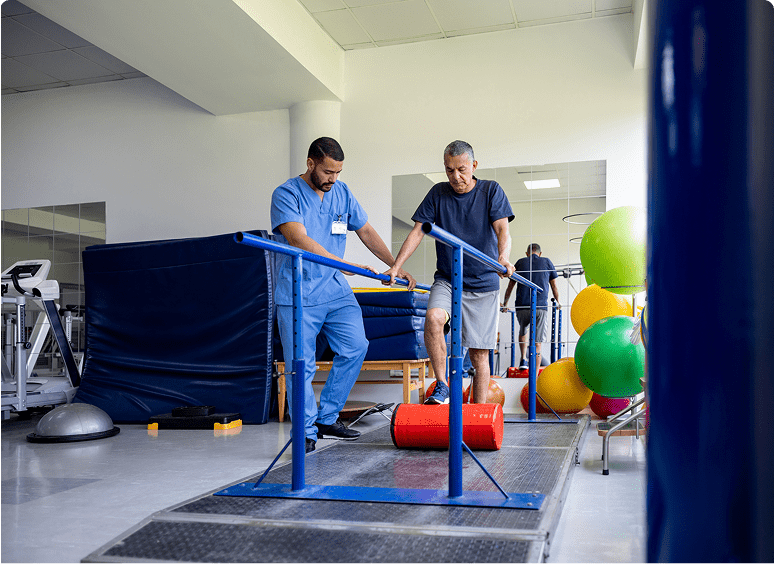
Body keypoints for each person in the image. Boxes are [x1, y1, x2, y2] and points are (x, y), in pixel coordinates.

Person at [271, 137, 415, 453]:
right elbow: (298, 239)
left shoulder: (341, 192)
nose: (333, 179)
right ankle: (306, 432)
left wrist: (395, 265)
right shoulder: (286, 194)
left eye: (338, 172)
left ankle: (327, 418)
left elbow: (364, 230)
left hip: (334, 288)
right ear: (310, 164)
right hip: (299, 290)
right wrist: (345, 263)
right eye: (327, 172)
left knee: (355, 347)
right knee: (301, 365)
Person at [385, 140, 514, 405]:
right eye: (449, 170)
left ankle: (476, 417)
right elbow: (418, 231)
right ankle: (442, 384)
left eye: (462, 169)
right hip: (448, 278)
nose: (456, 176)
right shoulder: (438, 193)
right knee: (433, 317)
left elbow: (502, 229)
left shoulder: (491, 190)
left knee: (479, 357)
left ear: (474, 166)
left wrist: (503, 258)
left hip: (483, 282)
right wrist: (396, 266)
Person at [501, 243, 560, 370]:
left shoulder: (520, 262)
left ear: (527, 253)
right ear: (540, 253)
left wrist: (505, 304)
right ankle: (535, 372)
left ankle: (523, 359)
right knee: (537, 342)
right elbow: (554, 286)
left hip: (522, 306)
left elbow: (510, 287)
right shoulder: (547, 262)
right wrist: (558, 302)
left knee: (523, 330)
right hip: (540, 307)